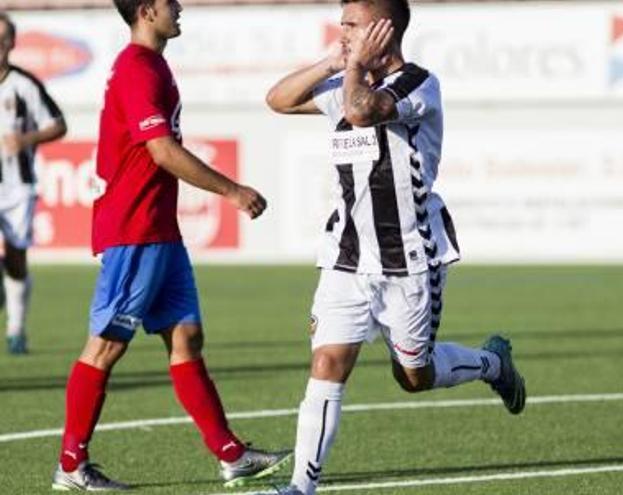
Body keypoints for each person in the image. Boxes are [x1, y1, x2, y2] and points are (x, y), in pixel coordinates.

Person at [263, 0, 526, 493]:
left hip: (408, 256)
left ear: (386, 30)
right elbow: (277, 99)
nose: (342, 31)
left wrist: (356, 66)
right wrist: (333, 63)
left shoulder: (418, 84)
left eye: (353, 24)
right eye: (341, 23)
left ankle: (492, 364)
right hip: (346, 253)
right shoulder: (346, 80)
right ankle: (301, 487)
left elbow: (363, 113)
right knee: (327, 363)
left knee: (414, 376)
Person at [51, 0, 290, 490]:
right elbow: (161, 150)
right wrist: (232, 191)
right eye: (169, 2)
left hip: (160, 230)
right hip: (135, 228)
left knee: (186, 338)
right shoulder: (137, 68)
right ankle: (72, 464)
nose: (178, 7)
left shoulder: (153, 63)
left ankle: (231, 454)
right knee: (105, 347)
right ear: (145, 10)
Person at [0, 12, 67, 355]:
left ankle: (16, 329)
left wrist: (26, 140)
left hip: (17, 187)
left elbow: (59, 124)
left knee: (16, 259)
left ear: (11, 43)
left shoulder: (24, 85)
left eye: (3, 39)